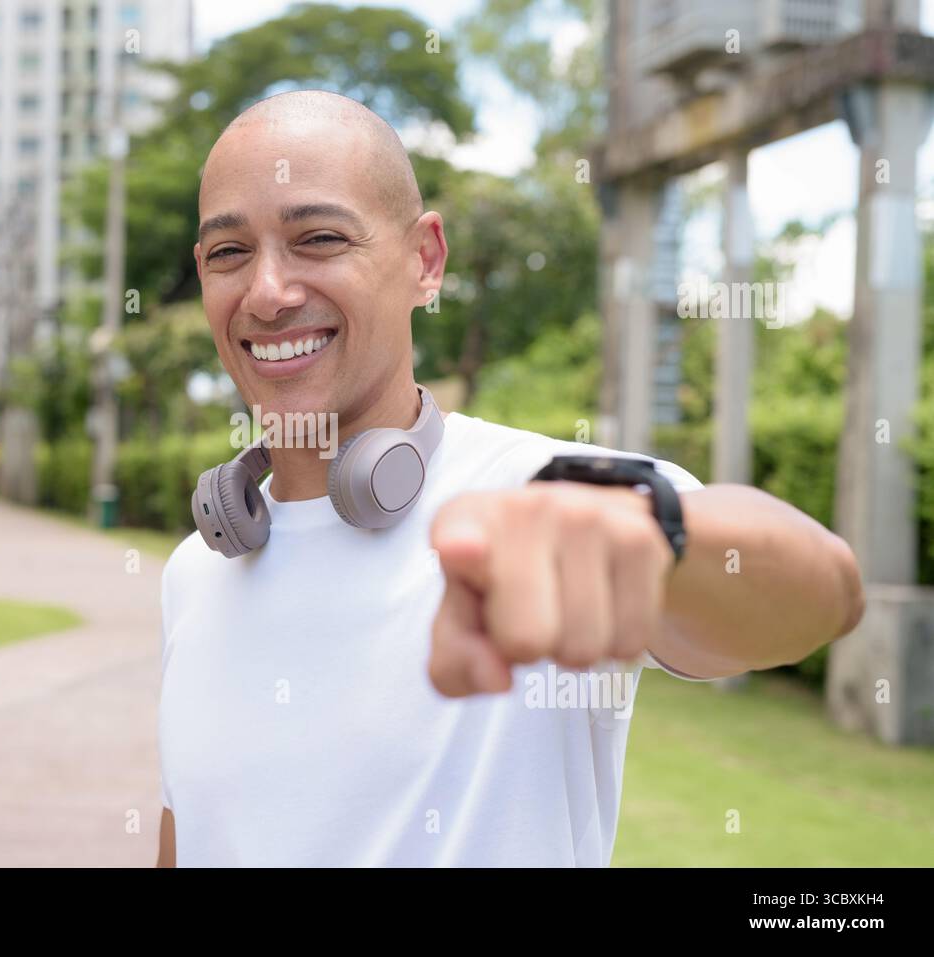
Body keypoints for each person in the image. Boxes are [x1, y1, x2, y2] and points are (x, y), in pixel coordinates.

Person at [155, 90, 864, 867]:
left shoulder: (541, 497)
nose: (267, 291)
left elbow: (825, 593)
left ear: (425, 261)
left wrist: (657, 535)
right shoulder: (197, 569)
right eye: (229, 253)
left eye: (319, 238)